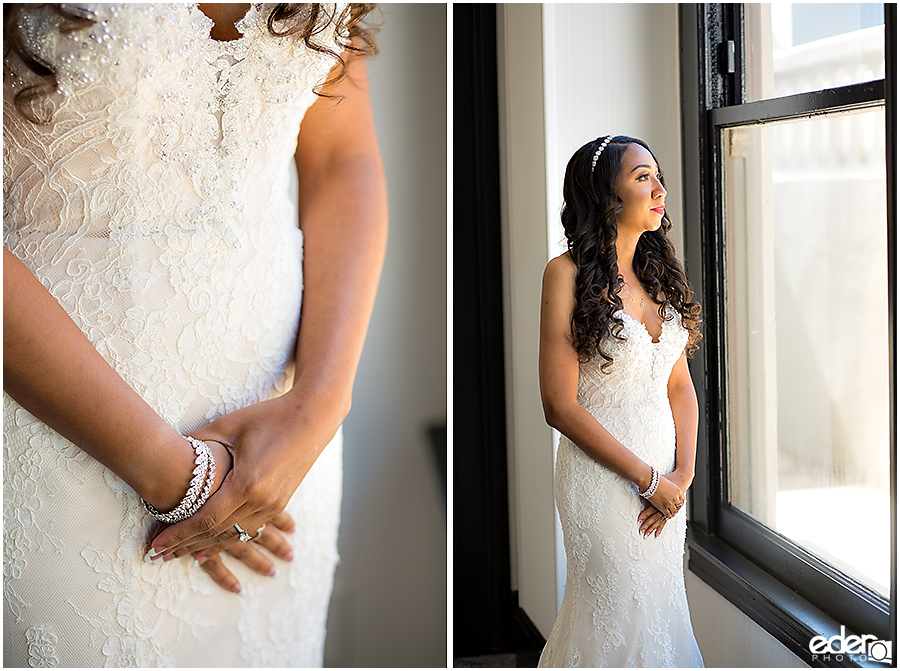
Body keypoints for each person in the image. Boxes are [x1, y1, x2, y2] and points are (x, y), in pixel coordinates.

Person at [3, 3, 386, 667]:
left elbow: (342, 158)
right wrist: (173, 472)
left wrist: (322, 402)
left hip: (281, 456)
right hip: (48, 432)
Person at [537, 135, 704, 667]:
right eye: (642, 178)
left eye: (658, 177)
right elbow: (559, 406)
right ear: (605, 195)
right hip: (603, 478)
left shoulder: (657, 277)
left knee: (658, 609)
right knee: (615, 613)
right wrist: (647, 480)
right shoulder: (564, 275)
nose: (660, 189)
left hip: (666, 483)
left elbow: (679, 386)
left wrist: (682, 474)